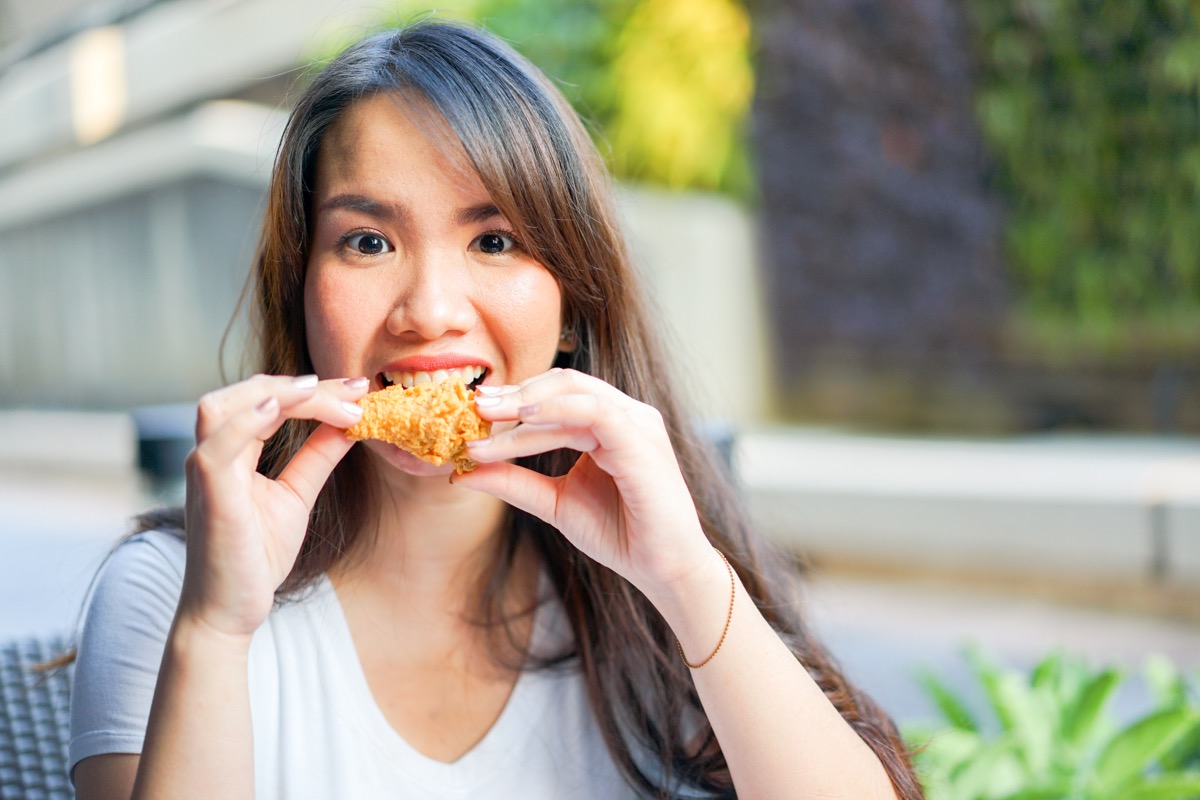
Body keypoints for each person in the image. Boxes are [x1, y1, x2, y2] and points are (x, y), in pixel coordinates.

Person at [69, 20, 922, 800]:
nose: (429, 309)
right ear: (300, 291)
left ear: (572, 307)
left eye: (495, 239)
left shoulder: (654, 594)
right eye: (368, 242)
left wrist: (688, 579)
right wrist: (218, 630)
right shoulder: (175, 592)